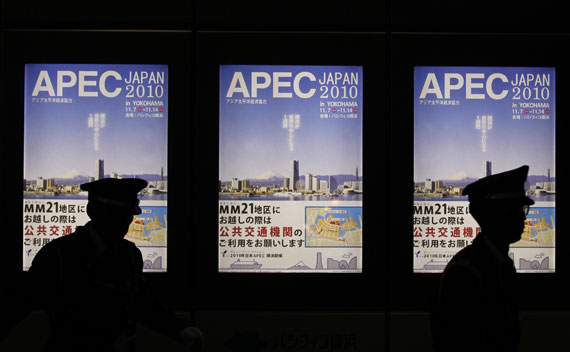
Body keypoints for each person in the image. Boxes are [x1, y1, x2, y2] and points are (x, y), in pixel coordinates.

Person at [25, 178, 202, 352]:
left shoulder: (130, 254)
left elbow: (142, 304)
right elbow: (21, 301)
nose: (125, 222)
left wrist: (179, 329)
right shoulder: (57, 255)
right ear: (92, 211)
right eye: (117, 214)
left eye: (129, 215)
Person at [431, 165, 534, 352]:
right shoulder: (465, 274)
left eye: (522, 209)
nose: (522, 218)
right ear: (490, 215)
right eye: (513, 210)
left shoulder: (494, 264)